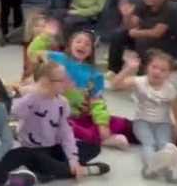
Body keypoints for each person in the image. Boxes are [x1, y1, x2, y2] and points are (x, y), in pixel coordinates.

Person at [28, 22, 122, 151]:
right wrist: (45, 36)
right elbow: (33, 53)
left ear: (91, 51)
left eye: (87, 44)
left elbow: (97, 102)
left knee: (105, 124)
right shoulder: (57, 58)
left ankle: (100, 137)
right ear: (70, 44)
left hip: (73, 115)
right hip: (48, 106)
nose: (82, 45)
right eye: (78, 41)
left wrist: (103, 126)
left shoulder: (95, 75)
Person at [9, 61, 110, 181]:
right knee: (37, 160)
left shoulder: (62, 103)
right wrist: (33, 93)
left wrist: (73, 159)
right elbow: (13, 112)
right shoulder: (32, 98)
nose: (67, 82)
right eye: (62, 80)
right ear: (47, 82)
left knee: (94, 147)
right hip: (33, 149)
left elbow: (66, 133)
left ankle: (61, 170)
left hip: (54, 147)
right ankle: (84, 170)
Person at [108, 50, 177, 181]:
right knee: (149, 143)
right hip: (141, 121)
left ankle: (173, 167)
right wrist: (128, 69)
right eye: (154, 67)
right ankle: (151, 165)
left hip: (163, 123)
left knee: (164, 144)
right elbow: (114, 85)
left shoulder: (170, 90)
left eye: (163, 70)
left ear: (169, 74)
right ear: (147, 67)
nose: (157, 71)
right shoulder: (139, 81)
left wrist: (175, 139)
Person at [107, 0, 177, 73]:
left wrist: (136, 33)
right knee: (118, 34)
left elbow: (157, 33)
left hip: (168, 43)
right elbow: (131, 26)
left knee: (143, 40)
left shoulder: (170, 8)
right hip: (144, 38)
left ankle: (143, 74)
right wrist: (127, 16)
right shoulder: (143, 4)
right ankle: (114, 70)